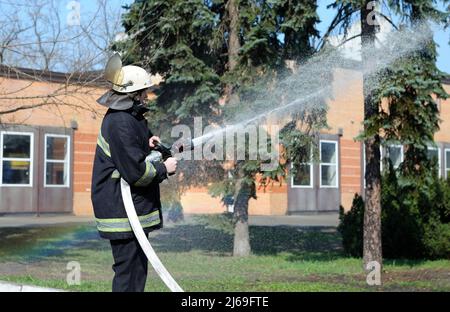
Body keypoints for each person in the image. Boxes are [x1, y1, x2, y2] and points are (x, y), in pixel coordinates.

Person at [91, 63, 177, 292]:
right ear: (134, 93)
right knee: (128, 274)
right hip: (122, 213)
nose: (146, 96)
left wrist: (148, 143)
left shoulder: (130, 117)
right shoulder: (120, 121)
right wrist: (164, 169)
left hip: (133, 213)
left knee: (137, 272)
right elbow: (136, 172)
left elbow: (132, 153)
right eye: (144, 92)